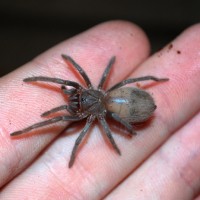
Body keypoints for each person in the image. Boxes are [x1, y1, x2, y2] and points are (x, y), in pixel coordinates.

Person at [0, 20, 199, 199]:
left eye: (78, 97)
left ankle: (146, 96)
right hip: (116, 101)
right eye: (77, 98)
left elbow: (77, 133)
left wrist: (127, 130)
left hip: (127, 104)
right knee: (115, 97)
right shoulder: (91, 93)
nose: (77, 99)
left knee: (85, 114)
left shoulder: (92, 115)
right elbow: (73, 86)